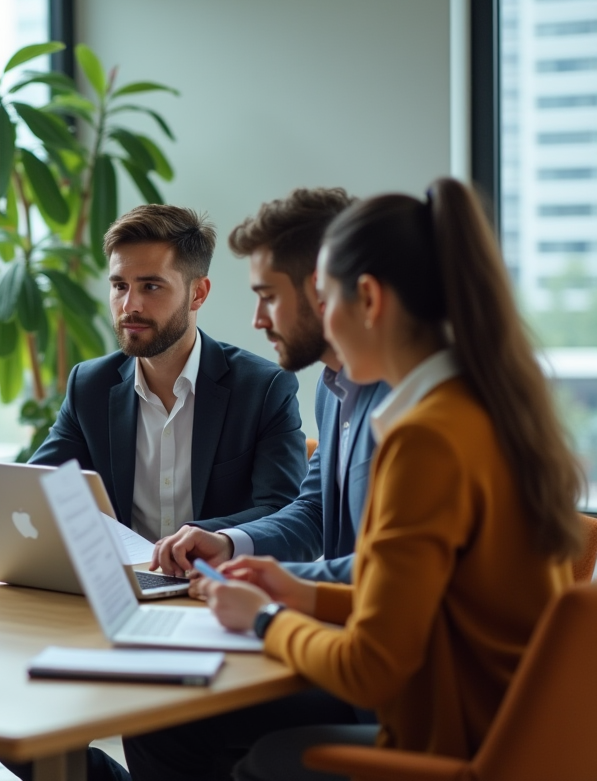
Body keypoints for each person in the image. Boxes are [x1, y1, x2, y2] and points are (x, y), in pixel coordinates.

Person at [196, 177, 581, 781]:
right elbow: (426, 605)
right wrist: (298, 592)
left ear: (369, 300)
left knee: (256, 761)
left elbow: (371, 667)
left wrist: (265, 618)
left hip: (452, 744)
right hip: (518, 737)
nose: (325, 317)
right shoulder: (483, 405)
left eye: (328, 298)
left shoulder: (425, 437)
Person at [31, 204, 307, 543]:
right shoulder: (89, 385)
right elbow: (33, 487)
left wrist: (201, 538)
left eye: (150, 286)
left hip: (215, 584)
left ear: (198, 294)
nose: (129, 305)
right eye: (119, 286)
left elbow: (283, 511)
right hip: (122, 584)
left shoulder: (262, 389)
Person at [154, 187, 388, 583]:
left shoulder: (408, 399)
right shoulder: (332, 389)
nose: (258, 320)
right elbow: (315, 509)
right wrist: (229, 543)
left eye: (269, 297)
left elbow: (394, 570)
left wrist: (276, 589)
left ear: (321, 289)